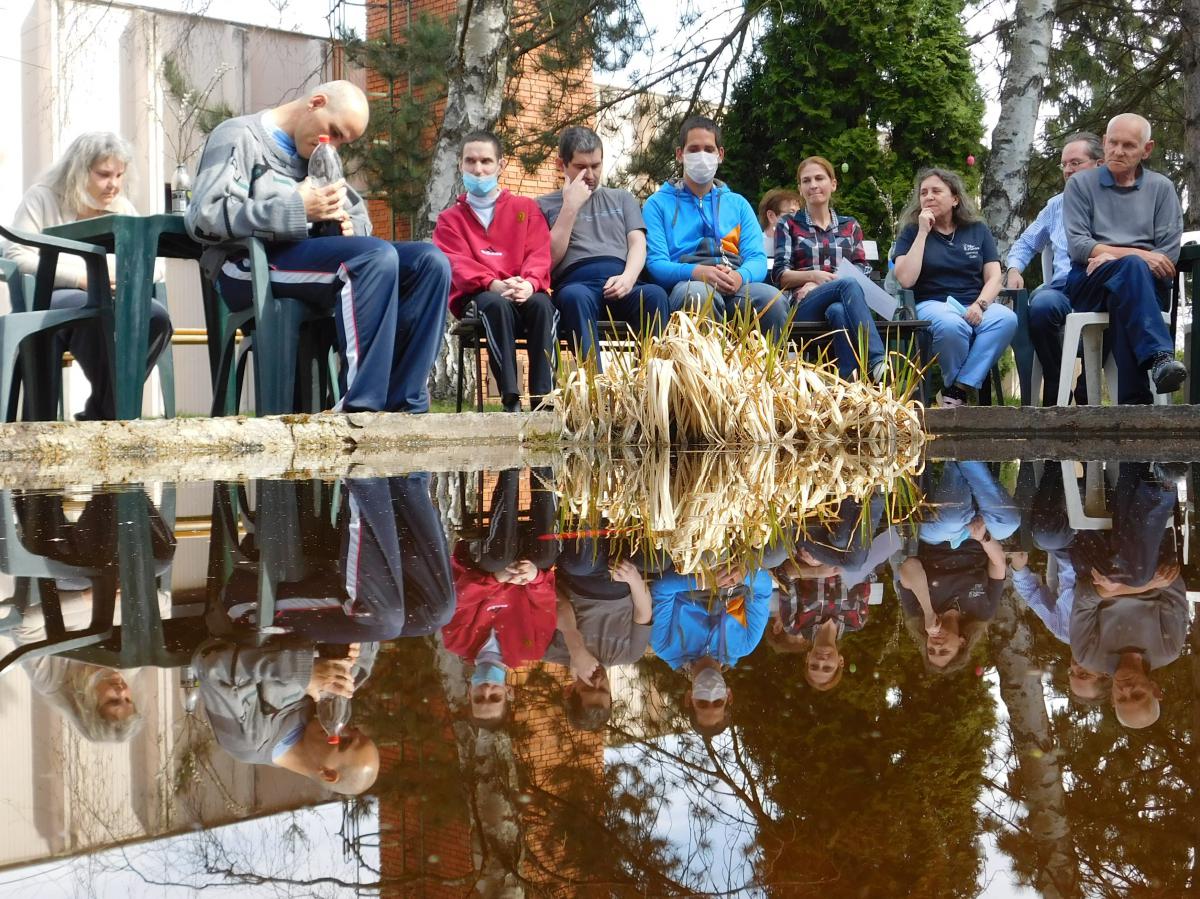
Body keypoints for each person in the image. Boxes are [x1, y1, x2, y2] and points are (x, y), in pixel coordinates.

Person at [187, 80, 450, 413]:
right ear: (316, 102)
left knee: (429, 263)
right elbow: (204, 216)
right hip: (245, 266)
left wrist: (351, 227)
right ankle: (360, 409)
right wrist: (295, 209)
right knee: (371, 259)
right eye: (334, 132)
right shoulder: (239, 135)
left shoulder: (320, 156)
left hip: (308, 262)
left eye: (343, 142)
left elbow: (359, 220)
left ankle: (406, 406)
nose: (333, 146)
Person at [3, 132, 173, 420]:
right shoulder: (43, 197)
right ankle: (111, 415)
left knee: (156, 317)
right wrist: (81, 279)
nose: (114, 184)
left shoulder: (121, 207)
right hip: (51, 296)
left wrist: (127, 278)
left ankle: (101, 414)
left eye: (119, 175)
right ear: (79, 171)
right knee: (93, 312)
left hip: (109, 297)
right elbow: (17, 256)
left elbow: (154, 262)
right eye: (104, 174)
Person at [1062, 113, 1185, 403]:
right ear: (1104, 142)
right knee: (1131, 268)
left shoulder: (1161, 188)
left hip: (1146, 286)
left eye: (1128, 145)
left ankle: (1134, 402)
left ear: (1147, 149)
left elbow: (1168, 253)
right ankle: (1160, 357)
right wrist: (1137, 255)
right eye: (1113, 143)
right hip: (1089, 280)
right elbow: (1079, 246)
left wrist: (1109, 254)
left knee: (1127, 284)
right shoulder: (1080, 185)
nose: (1118, 151)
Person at [434, 131, 555, 412]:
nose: (478, 169)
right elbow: (455, 263)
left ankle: (544, 399)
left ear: (501, 165)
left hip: (523, 290)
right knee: (496, 305)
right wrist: (492, 283)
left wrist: (530, 284)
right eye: (471, 161)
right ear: (460, 165)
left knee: (542, 305)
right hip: (479, 296)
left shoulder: (526, 208)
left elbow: (539, 252)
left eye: (486, 161)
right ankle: (510, 399)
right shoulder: (449, 220)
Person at [642, 116, 789, 338]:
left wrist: (739, 276)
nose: (702, 155)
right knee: (699, 295)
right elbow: (656, 265)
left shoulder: (738, 204)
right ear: (680, 154)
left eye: (709, 149)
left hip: (734, 282)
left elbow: (757, 259)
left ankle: (766, 362)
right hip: (686, 285)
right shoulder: (657, 204)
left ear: (720, 154)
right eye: (694, 149)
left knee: (772, 300)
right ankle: (704, 362)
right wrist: (698, 273)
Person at [537, 126, 671, 369]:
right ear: (561, 165)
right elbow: (549, 259)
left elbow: (638, 243)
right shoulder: (544, 205)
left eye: (596, 165)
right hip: (576, 283)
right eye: (581, 166)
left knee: (655, 296)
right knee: (574, 298)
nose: (590, 174)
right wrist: (570, 207)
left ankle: (647, 382)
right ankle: (594, 383)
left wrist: (629, 278)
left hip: (622, 279)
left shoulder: (622, 198)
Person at [442, 468, 560, 730]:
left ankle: (510, 473)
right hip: (526, 567)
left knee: (497, 559)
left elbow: (458, 599)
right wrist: (533, 578)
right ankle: (544, 471)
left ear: (470, 693)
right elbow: (546, 603)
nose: (486, 689)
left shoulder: (457, 642)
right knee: (545, 558)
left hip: (480, 563)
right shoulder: (532, 647)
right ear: (508, 692)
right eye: (495, 697)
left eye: (479, 697)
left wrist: (495, 579)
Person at [894, 168, 1017, 407]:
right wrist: (923, 232)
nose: (928, 197)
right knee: (952, 325)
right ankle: (959, 393)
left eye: (936, 191)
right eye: (923, 193)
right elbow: (906, 279)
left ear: (955, 199)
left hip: (974, 302)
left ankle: (957, 390)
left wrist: (980, 305)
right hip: (933, 304)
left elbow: (995, 277)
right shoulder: (912, 232)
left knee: (1006, 319)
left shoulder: (977, 230)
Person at [193, 639, 381, 794]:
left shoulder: (249, 741)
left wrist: (301, 672)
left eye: (344, 742)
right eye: (353, 729)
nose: (343, 727)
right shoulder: (331, 701)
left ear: (327, 773)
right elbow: (370, 636)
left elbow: (209, 664)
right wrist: (356, 644)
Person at [1005, 132, 1104, 404]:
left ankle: (1087, 388)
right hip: (1064, 289)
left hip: (1101, 286)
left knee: (1118, 306)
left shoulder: (1113, 202)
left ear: (1099, 164)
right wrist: (1014, 269)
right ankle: (1056, 382)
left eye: (1076, 163)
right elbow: (1026, 242)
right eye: (1064, 164)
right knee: (1041, 306)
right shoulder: (1056, 205)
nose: (1068, 170)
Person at [772, 156, 886, 381]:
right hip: (804, 306)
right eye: (806, 181)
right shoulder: (789, 224)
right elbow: (780, 274)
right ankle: (877, 361)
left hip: (843, 304)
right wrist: (813, 277)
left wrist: (826, 283)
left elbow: (862, 268)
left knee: (838, 311)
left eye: (819, 178)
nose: (813, 185)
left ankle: (847, 384)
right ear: (800, 188)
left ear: (833, 184)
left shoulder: (849, 225)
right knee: (847, 284)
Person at [897, 461, 1016, 673]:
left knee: (953, 519)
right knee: (1009, 524)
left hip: (936, 537)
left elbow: (909, 566)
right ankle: (964, 459)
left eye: (931, 650)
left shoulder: (917, 613)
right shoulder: (982, 612)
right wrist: (983, 537)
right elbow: (998, 564)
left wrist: (928, 610)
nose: (937, 646)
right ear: (962, 643)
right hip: (978, 536)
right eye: (944, 651)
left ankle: (960, 457)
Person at [651, 559, 772, 736]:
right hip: (736, 566)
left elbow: (660, 589)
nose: (710, 694)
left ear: (689, 698)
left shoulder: (665, 646)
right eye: (718, 702)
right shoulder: (745, 643)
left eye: (702, 703)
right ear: (728, 696)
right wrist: (745, 575)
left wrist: (703, 581)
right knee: (775, 556)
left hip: (689, 566)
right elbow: (764, 587)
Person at [544, 541, 653, 731]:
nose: (598, 681)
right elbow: (643, 612)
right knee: (655, 562)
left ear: (569, 690)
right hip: (624, 580)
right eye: (603, 689)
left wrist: (576, 648)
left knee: (581, 564)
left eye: (588, 687)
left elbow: (548, 594)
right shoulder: (630, 654)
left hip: (579, 578)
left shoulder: (550, 650)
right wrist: (635, 580)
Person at [758, 187, 801, 256]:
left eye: (798, 213)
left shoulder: (803, 246)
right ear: (771, 216)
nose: (798, 218)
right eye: (791, 212)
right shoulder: (753, 246)